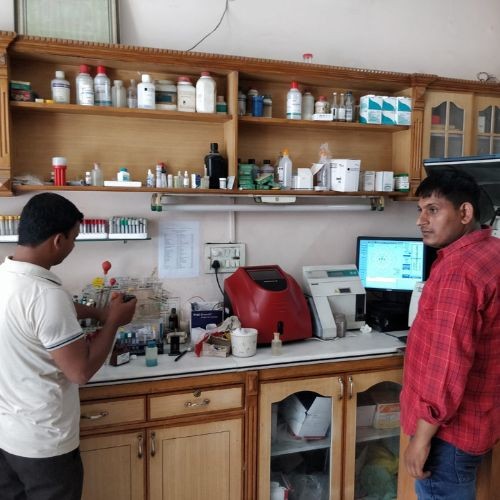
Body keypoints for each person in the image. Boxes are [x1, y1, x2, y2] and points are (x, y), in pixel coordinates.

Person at [0, 193, 137, 500]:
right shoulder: (47, 294)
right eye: (74, 238)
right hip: (45, 445)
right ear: (58, 240)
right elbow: (81, 372)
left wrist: (100, 314)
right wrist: (114, 323)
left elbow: (44, 311)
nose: (73, 246)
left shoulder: (7, 276)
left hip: (8, 437)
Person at [400, 169, 500, 499]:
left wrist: (421, 439)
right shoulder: (492, 251)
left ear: (465, 212)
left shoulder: (459, 271)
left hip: (446, 435)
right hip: (479, 420)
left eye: (433, 210)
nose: (421, 221)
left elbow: (447, 365)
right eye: (420, 210)